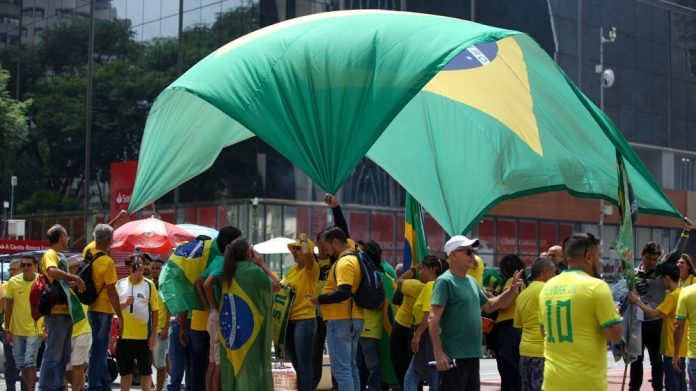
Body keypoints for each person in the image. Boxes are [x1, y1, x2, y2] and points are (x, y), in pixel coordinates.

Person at [429, 235, 522, 390]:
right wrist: (438, 353)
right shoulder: (445, 281)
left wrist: (512, 290)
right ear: (453, 255)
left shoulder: (472, 282)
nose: (473, 256)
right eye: (468, 252)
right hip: (454, 354)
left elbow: (490, 306)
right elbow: (432, 318)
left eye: (473, 252)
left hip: (472, 353)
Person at [540, 233, 623, 390]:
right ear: (588, 256)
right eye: (599, 256)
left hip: (552, 382)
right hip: (586, 383)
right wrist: (615, 314)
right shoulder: (597, 287)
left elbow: (543, 332)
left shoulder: (548, 287)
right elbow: (616, 335)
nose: (600, 261)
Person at [220, 238, 279, 390]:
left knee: (233, 370)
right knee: (250, 370)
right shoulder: (253, 271)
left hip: (230, 332)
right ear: (249, 252)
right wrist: (262, 264)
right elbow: (276, 285)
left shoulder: (228, 270)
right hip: (249, 331)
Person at [310, 226, 364, 391]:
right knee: (350, 367)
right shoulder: (355, 257)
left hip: (340, 319)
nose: (325, 252)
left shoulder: (344, 261)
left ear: (335, 242)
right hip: (352, 318)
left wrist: (319, 299)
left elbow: (343, 292)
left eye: (326, 247)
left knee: (341, 371)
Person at [39, 224, 86, 391]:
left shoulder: (59, 255)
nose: (68, 239)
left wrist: (70, 282)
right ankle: (45, 387)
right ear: (61, 238)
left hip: (66, 313)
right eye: (66, 236)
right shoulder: (50, 254)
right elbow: (52, 270)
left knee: (63, 356)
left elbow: (59, 280)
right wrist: (74, 277)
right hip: (57, 312)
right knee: (53, 354)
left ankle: (58, 386)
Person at [197, 226, 242, 391]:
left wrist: (208, 308)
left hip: (214, 315)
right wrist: (217, 307)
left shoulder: (216, 259)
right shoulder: (225, 263)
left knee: (213, 362)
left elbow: (198, 282)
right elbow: (207, 284)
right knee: (220, 364)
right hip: (221, 315)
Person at [630, 263, 686, 391]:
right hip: (681, 347)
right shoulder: (682, 293)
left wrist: (637, 301)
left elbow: (655, 313)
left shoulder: (672, 297)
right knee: (681, 383)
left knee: (672, 385)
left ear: (666, 278)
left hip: (671, 347)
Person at [86, 223, 124, 391]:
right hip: (104, 310)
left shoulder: (88, 252)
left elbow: (100, 232)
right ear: (108, 240)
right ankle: (94, 385)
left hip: (91, 308)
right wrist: (120, 316)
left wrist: (115, 220)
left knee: (98, 348)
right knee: (99, 351)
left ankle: (104, 384)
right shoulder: (107, 262)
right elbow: (112, 292)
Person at [403, 255, 448, 391]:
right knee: (432, 376)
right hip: (433, 335)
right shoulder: (439, 285)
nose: (420, 272)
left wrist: (417, 335)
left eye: (422, 269)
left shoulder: (430, 285)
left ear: (432, 270)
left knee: (412, 378)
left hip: (426, 337)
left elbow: (428, 314)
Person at [116, 254, 159, 391]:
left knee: (146, 372)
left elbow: (155, 311)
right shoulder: (120, 284)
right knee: (125, 373)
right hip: (124, 336)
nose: (140, 267)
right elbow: (114, 307)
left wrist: (153, 335)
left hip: (143, 337)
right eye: (137, 264)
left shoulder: (149, 284)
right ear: (129, 267)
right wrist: (125, 303)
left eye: (142, 264)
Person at [282, 234, 319, 391]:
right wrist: (263, 265)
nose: (295, 252)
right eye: (294, 249)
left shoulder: (312, 269)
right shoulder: (292, 271)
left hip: (305, 321)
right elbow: (281, 288)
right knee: (297, 365)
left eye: (299, 248)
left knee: (304, 366)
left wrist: (304, 238)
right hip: (289, 321)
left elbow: (306, 255)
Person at [513, 257, 555, 391]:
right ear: (545, 272)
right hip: (542, 351)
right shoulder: (549, 290)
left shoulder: (522, 295)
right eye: (553, 272)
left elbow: (518, 325)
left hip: (525, 351)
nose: (555, 276)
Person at [631, 241, 666, 391]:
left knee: (657, 361)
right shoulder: (632, 273)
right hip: (637, 322)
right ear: (642, 256)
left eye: (655, 259)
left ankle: (658, 388)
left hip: (656, 323)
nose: (652, 262)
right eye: (649, 258)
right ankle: (634, 388)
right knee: (636, 360)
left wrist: (685, 232)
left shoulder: (661, 273)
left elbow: (677, 253)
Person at [5, 255, 40, 390]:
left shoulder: (42, 281)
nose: (25, 268)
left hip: (35, 329)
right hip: (17, 330)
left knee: (30, 362)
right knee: (20, 364)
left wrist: (45, 328)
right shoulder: (13, 282)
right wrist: (8, 329)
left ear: (35, 266)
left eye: (28, 265)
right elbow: (9, 307)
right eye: (23, 265)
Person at [492, 254, 527, 391]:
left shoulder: (511, 283)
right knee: (515, 370)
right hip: (516, 328)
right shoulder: (523, 282)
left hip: (507, 329)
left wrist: (490, 297)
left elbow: (505, 304)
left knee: (508, 369)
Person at [356, 240, 387, 391]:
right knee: (370, 367)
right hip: (368, 329)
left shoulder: (371, 275)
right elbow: (381, 304)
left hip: (363, 328)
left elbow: (379, 303)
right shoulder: (377, 275)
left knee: (364, 367)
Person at [391, 260, 426, 389]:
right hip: (416, 329)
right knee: (414, 365)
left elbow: (398, 281)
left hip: (403, 327)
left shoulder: (416, 285)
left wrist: (413, 269)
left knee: (400, 363)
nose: (421, 272)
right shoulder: (433, 287)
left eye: (424, 269)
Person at [66, 255, 92, 391]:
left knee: (77, 365)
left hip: (84, 330)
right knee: (66, 369)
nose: (76, 270)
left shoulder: (87, 283)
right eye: (73, 268)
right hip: (67, 332)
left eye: (78, 267)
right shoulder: (63, 286)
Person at [2, 258, 27, 391]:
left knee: (25, 364)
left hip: (26, 330)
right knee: (10, 363)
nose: (12, 272)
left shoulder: (31, 283)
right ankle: (10, 388)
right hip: (9, 330)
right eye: (10, 270)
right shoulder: (5, 286)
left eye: (14, 270)